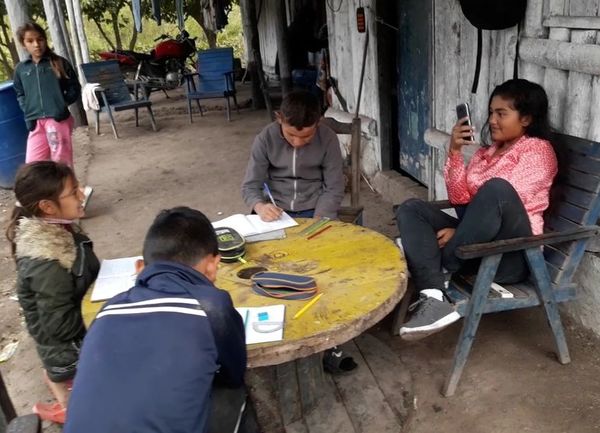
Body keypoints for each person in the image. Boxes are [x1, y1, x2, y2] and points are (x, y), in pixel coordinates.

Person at [396, 78, 558, 340]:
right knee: (411, 208)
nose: (492, 120)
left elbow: (503, 203)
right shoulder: (487, 153)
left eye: (501, 113)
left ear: (526, 119)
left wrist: (458, 230)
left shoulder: (538, 152)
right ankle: (434, 297)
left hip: (511, 255)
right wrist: (455, 152)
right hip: (472, 245)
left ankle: (424, 257)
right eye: (492, 112)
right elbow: (460, 199)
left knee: (497, 189)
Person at [64, 207, 248, 433]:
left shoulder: (108, 309)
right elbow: (234, 373)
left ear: (140, 267)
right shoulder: (210, 305)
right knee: (235, 393)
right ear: (212, 264)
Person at [5, 161, 100, 424]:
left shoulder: (59, 231)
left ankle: (67, 401)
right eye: (73, 192)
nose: (82, 194)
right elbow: (59, 327)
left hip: (63, 343)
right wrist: (105, 314)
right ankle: (74, 411)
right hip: (67, 350)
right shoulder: (47, 261)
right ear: (47, 207)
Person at [242, 90, 345, 222]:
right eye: (291, 135)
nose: (297, 143)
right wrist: (261, 207)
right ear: (279, 119)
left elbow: (334, 186)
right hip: (275, 210)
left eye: (307, 136)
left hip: (316, 208)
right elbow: (250, 186)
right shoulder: (266, 138)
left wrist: (321, 217)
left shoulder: (328, 138)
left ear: (318, 122)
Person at [13, 22, 80, 168]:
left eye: (40, 39)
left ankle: (71, 190)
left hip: (57, 120)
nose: (36, 44)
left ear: (45, 39)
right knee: (33, 165)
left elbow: (74, 88)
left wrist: (60, 104)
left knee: (61, 162)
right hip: (35, 122)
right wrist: (27, 109)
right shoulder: (21, 69)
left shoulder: (59, 63)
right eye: (30, 41)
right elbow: (20, 93)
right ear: (23, 44)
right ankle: (47, 191)